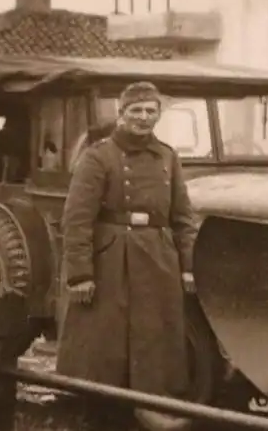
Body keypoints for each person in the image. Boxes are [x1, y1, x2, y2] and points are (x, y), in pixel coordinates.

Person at [56, 81, 197, 429]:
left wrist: (188, 267)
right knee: (106, 344)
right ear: (121, 114)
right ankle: (103, 413)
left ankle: (149, 409)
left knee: (155, 340)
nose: (144, 118)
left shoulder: (167, 156)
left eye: (151, 111)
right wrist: (80, 274)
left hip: (158, 259)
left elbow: (183, 218)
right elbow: (76, 219)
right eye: (136, 111)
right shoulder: (98, 156)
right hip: (110, 261)